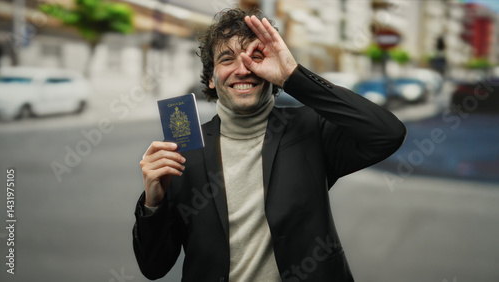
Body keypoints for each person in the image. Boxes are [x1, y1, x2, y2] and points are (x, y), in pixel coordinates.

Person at [133, 8, 406, 282]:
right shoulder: (183, 152)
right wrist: (153, 203)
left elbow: (387, 133)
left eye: (255, 58)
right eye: (227, 59)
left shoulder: (310, 129)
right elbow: (154, 267)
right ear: (211, 79)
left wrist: (294, 75)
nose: (242, 69)